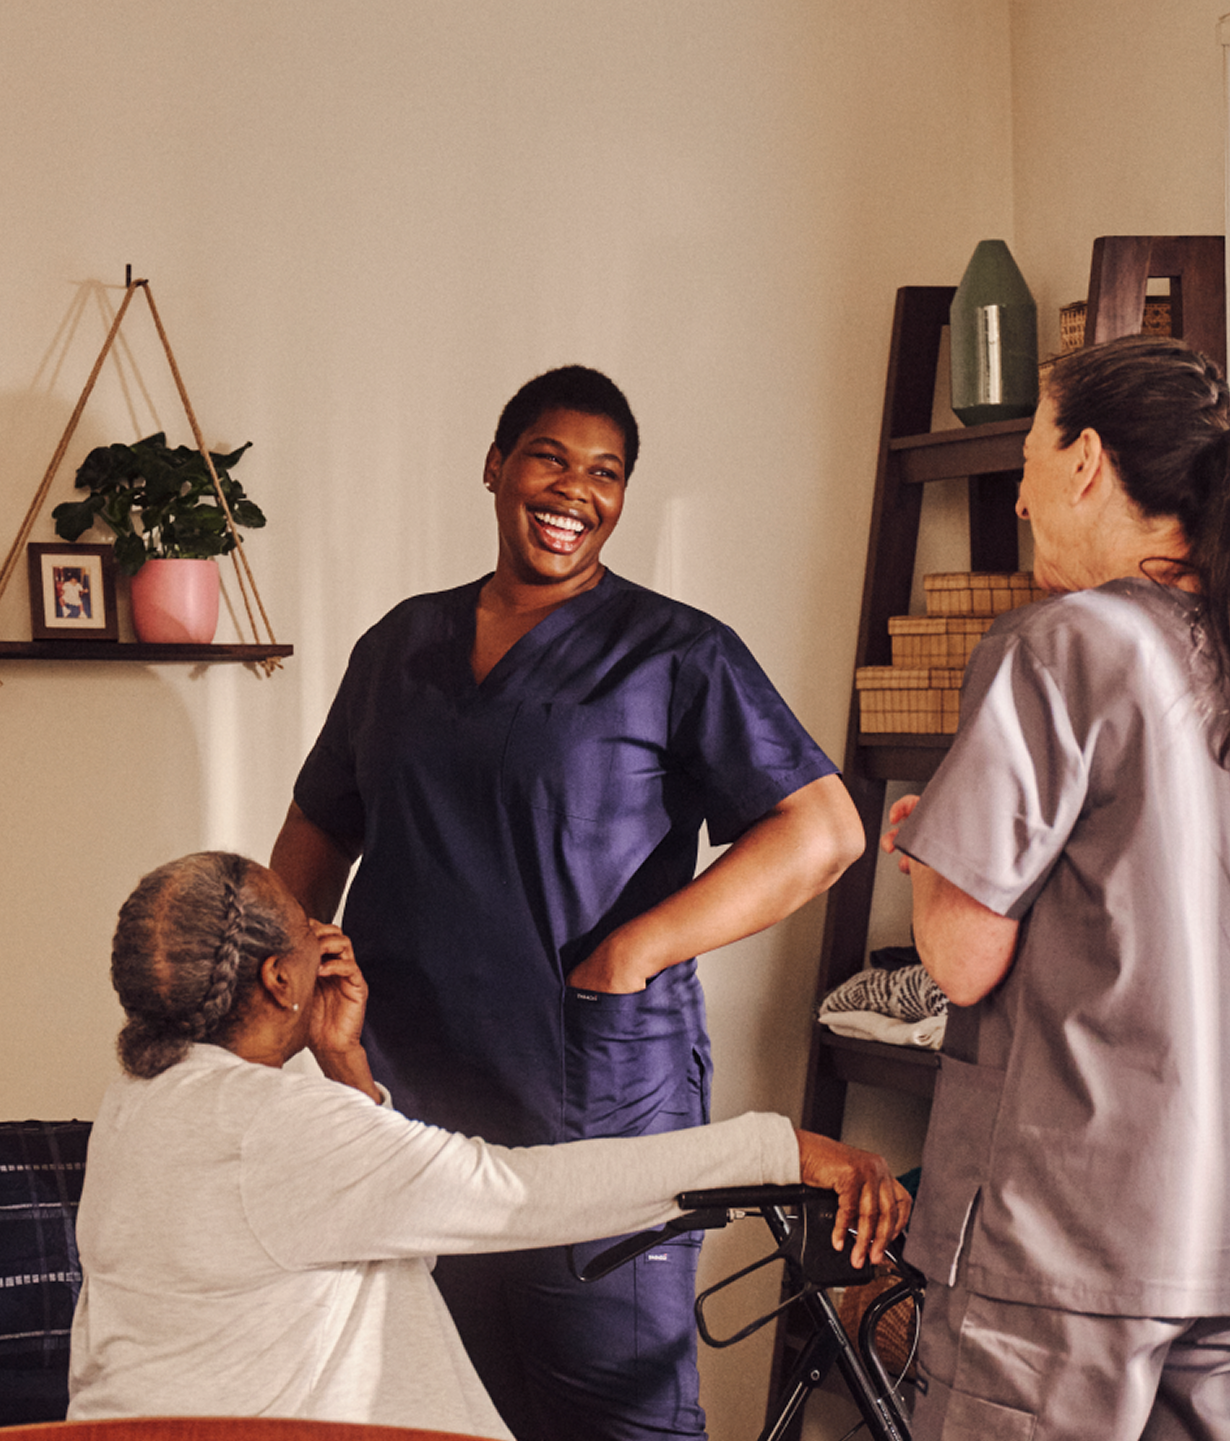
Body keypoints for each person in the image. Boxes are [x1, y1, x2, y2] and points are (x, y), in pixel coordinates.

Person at [270, 364, 865, 1440]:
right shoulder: (401, 645)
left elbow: (822, 831)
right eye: (550, 457)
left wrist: (632, 953)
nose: (574, 490)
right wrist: (267, 1016)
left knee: (613, 1407)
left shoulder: (675, 652)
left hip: (595, 1095)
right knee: (439, 1405)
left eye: (607, 473)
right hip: (409, 1095)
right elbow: (315, 837)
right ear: (497, 467)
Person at [881, 337, 1230, 1441]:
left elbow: (959, 957)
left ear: (1087, 460)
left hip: (1064, 1247)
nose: (1019, 502)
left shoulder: (1061, 643)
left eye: (1031, 457)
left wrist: (925, 856)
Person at [67, 852, 910, 1437]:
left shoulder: (142, 1104)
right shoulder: (273, 1129)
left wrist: (346, 1065)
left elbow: (367, 1217)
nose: (322, 933)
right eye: (304, 926)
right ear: (280, 978)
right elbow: (516, 1193)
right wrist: (776, 1148)